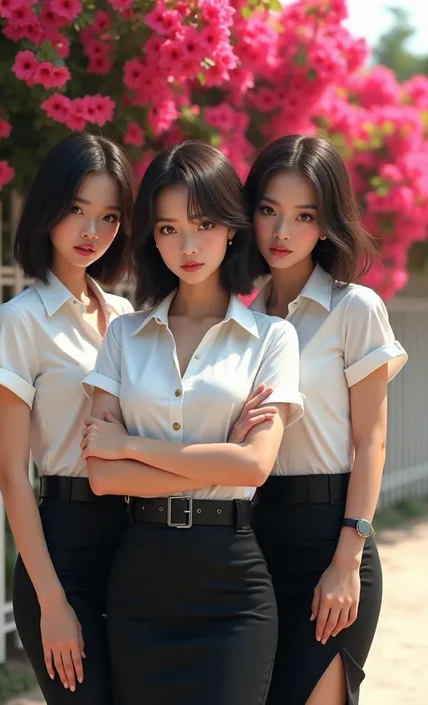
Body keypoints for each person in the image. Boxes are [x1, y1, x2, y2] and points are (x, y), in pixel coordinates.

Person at [80, 141, 304, 705]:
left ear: (231, 227)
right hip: (141, 580)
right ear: (151, 238)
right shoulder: (123, 336)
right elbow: (104, 478)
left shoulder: (272, 338)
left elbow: (254, 466)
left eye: (203, 224)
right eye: (167, 228)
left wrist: (131, 445)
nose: (187, 245)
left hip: (232, 583)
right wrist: (217, 456)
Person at [240, 134, 408, 705]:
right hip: (253, 542)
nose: (281, 232)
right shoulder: (242, 323)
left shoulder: (354, 309)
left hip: (331, 538)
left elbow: (372, 440)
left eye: (303, 216)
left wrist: (347, 559)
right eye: (269, 211)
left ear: (327, 222)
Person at [0, 133, 135, 704]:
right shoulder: (21, 321)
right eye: (76, 210)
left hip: (138, 543)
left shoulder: (125, 317)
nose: (91, 232)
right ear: (48, 209)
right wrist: (52, 602)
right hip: (63, 545)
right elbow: (12, 475)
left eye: (109, 216)